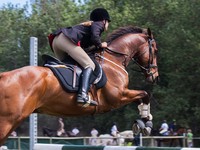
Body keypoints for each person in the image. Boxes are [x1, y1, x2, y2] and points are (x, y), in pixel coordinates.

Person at [48, 8, 111, 106]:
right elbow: (95, 37)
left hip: (56, 41)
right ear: (104, 20)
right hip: (65, 40)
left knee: (69, 66)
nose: (108, 25)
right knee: (90, 65)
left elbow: (84, 48)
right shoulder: (99, 24)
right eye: (108, 22)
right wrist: (101, 44)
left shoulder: (87, 26)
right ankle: (82, 95)